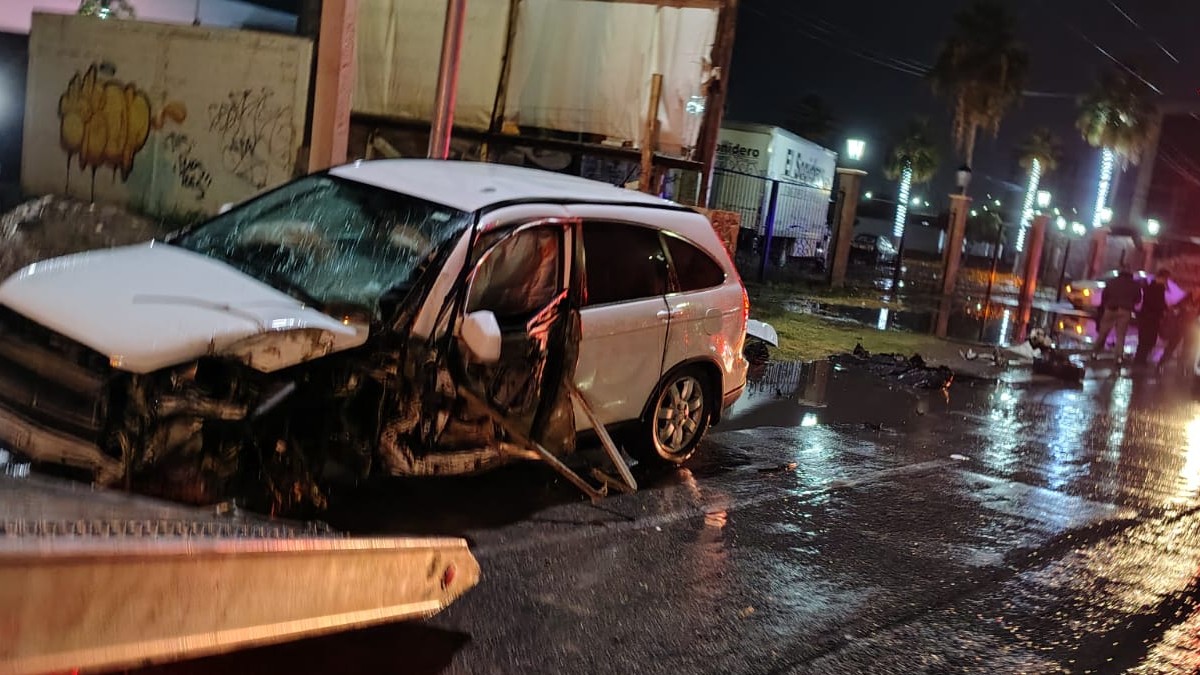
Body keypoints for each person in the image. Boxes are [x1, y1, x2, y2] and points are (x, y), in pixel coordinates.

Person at [1093, 267, 1142, 365]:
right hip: (1125, 310)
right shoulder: (1135, 284)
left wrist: (1105, 305)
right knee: (1120, 336)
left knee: (1103, 332)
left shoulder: (1112, 282)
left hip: (1111, 308)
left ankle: (1095, 353)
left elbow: (1105, 295)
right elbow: (1138, 299)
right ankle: (1118, 357)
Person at [1134, 269, 1171, 366]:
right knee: (1148, 339)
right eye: (1166, 279)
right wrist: (1165, 309)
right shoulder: (1158, 288)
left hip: (1146, 316)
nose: (1166, 281)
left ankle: (1140, 359)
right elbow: (1158, 303)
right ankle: (1140, 360)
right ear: (1163, 278)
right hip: (1152, 318)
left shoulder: (1150, 286)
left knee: (1144, 340)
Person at [1158, 290, 1200, 375]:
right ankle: (1161, 364)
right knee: (1172, 345)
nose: (1196, 291)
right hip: (1180, 326)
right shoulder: (1186, 299)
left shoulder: (1196, 301)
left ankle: (1182, 367)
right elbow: (1175, 308)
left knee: (1187, 349)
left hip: (1191, 328)